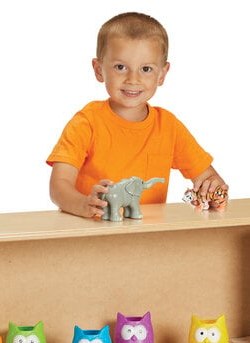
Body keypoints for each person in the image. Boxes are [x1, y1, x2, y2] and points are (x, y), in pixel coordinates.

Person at [47, 12, 228, 218]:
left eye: (146, 69)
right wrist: (82, 204)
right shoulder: (86, 122)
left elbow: (207, 177)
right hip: (90, 232)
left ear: (162, 74)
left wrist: (213, 190)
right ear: (99, 70)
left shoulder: (168, 126)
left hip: (147, 237)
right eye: (120, 67)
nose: (133, 79)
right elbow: (58, 187)